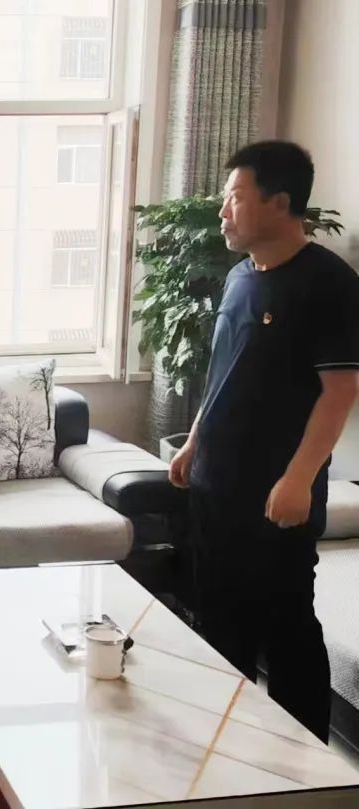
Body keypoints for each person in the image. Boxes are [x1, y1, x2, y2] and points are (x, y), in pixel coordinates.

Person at [169, 141, 359, 742]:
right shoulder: (239, 278)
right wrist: (193, 442)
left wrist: (299, 477)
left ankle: (304, 763)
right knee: (218, 623)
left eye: (234, 197)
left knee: (287, 629)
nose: (223, 211)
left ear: (279, 202)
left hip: (278, 495)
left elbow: (340, 392)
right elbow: (223, 372)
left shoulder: (329, 283)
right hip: (215, 487)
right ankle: (225, 747)